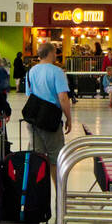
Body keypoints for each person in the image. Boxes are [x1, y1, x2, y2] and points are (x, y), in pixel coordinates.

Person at [24, 42, 72, 200]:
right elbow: (63, 97)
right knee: (55, 158)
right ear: (51, 53)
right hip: (50, 120)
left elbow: (29, 94)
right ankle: (59, 194)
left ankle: (37, 194)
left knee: (37, 157)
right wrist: (68, 118)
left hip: (33, 120)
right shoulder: (57, 72)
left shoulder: (31, 71)